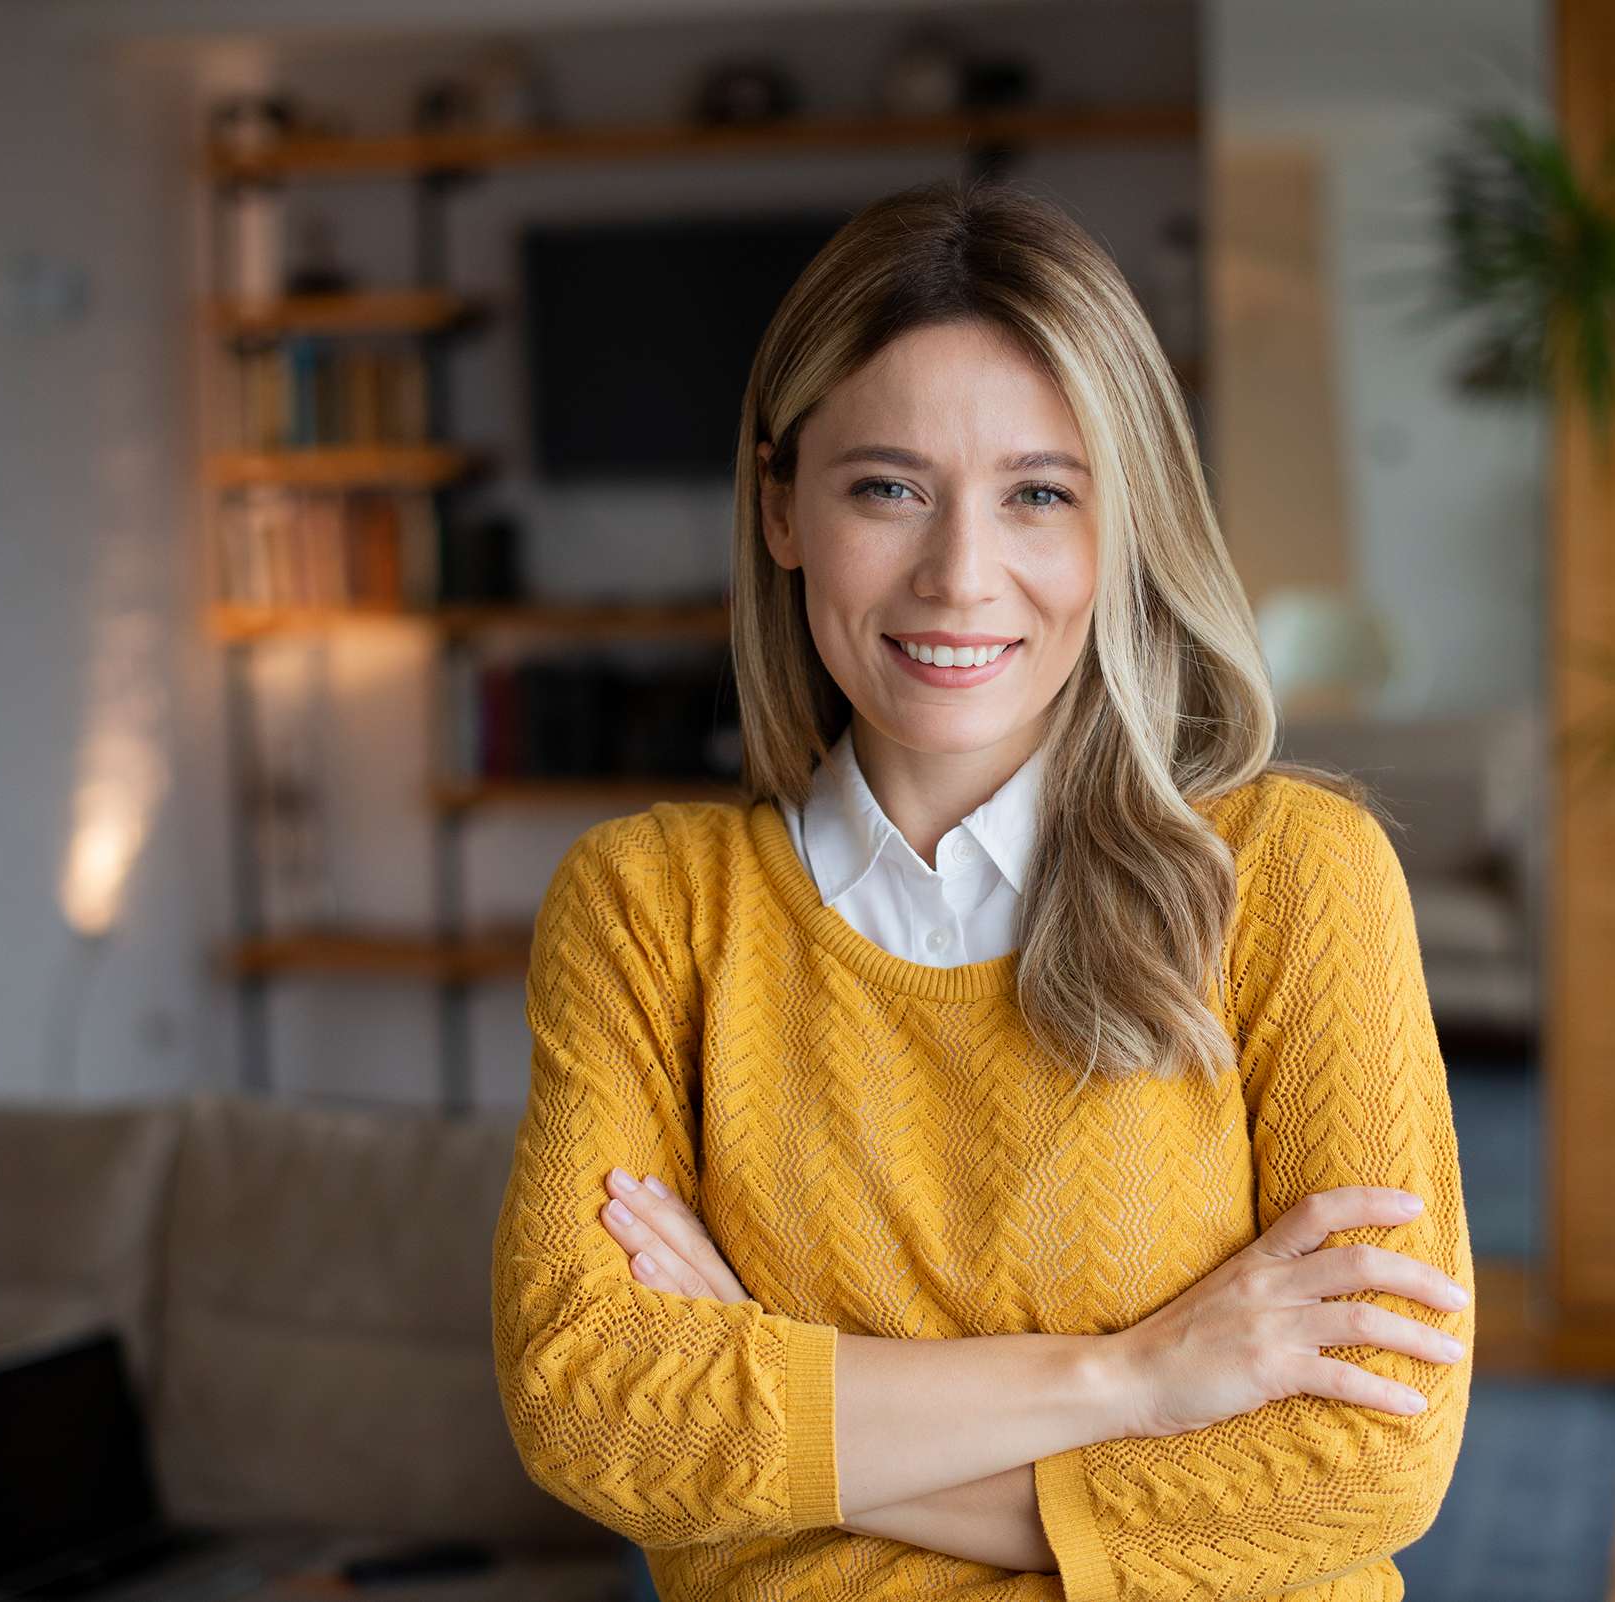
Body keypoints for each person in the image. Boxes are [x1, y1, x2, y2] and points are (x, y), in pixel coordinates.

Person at [491, 176, 1474, 1602]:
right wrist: (1133, 1376)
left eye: (1038, 495)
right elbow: (590, 1405)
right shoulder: (650, 910)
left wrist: (789, 1430)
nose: (961, 575)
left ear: (1119, 524)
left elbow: (1372, 1458)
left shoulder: (1294, 876)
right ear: (782, 507)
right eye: (888, 487)